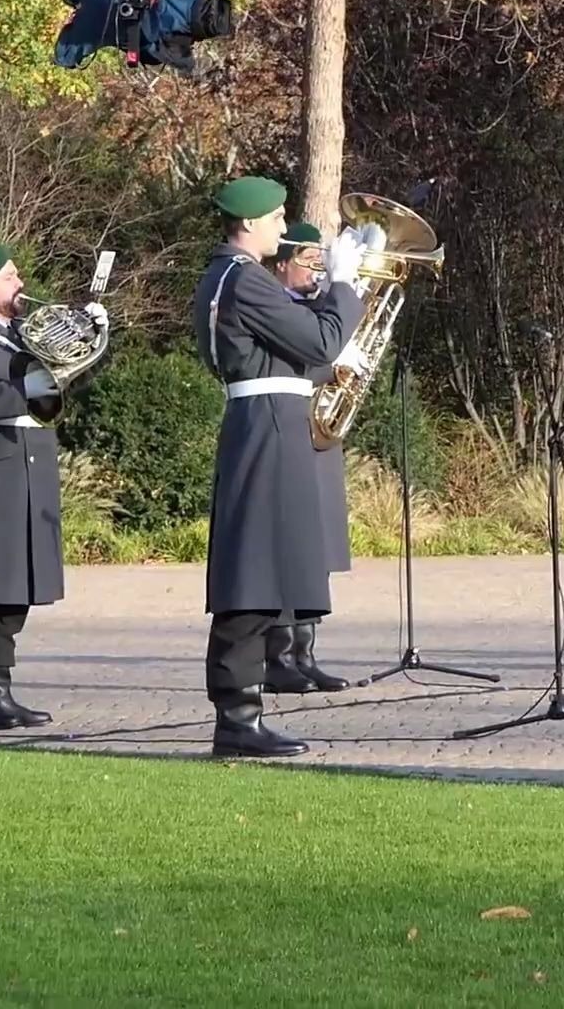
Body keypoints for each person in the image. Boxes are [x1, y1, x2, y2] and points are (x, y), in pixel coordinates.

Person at [190, 178, 366, 757]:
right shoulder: (245, 280)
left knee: (264, 570)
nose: (284, 230)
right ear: (248, 224)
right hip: (266, 426)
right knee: (253, 575)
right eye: (276, 220)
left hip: (267, 419)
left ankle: (244, 712)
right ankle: (237, 718)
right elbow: (320, 343)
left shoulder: (233, 277)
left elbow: (292, 353)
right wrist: (341, 283)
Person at [0, 243, 108, 730]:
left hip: (29, 463)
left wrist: (90, 337)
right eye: (10, 277)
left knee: (18, 584)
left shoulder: (21, 336)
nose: (21, 283)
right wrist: (28, 391)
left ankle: (0, 687)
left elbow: (62, 380)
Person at [261, 221, 355, 694]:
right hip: (288, 430)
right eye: (308, 261)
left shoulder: (318, 308)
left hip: (319, 437)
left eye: (321, 261)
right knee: (287, 550)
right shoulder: (277, 306)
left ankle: (305, 653)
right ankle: (277, 657)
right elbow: (303, 356)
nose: (317, 269)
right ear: (281, 265)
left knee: (314, 550)